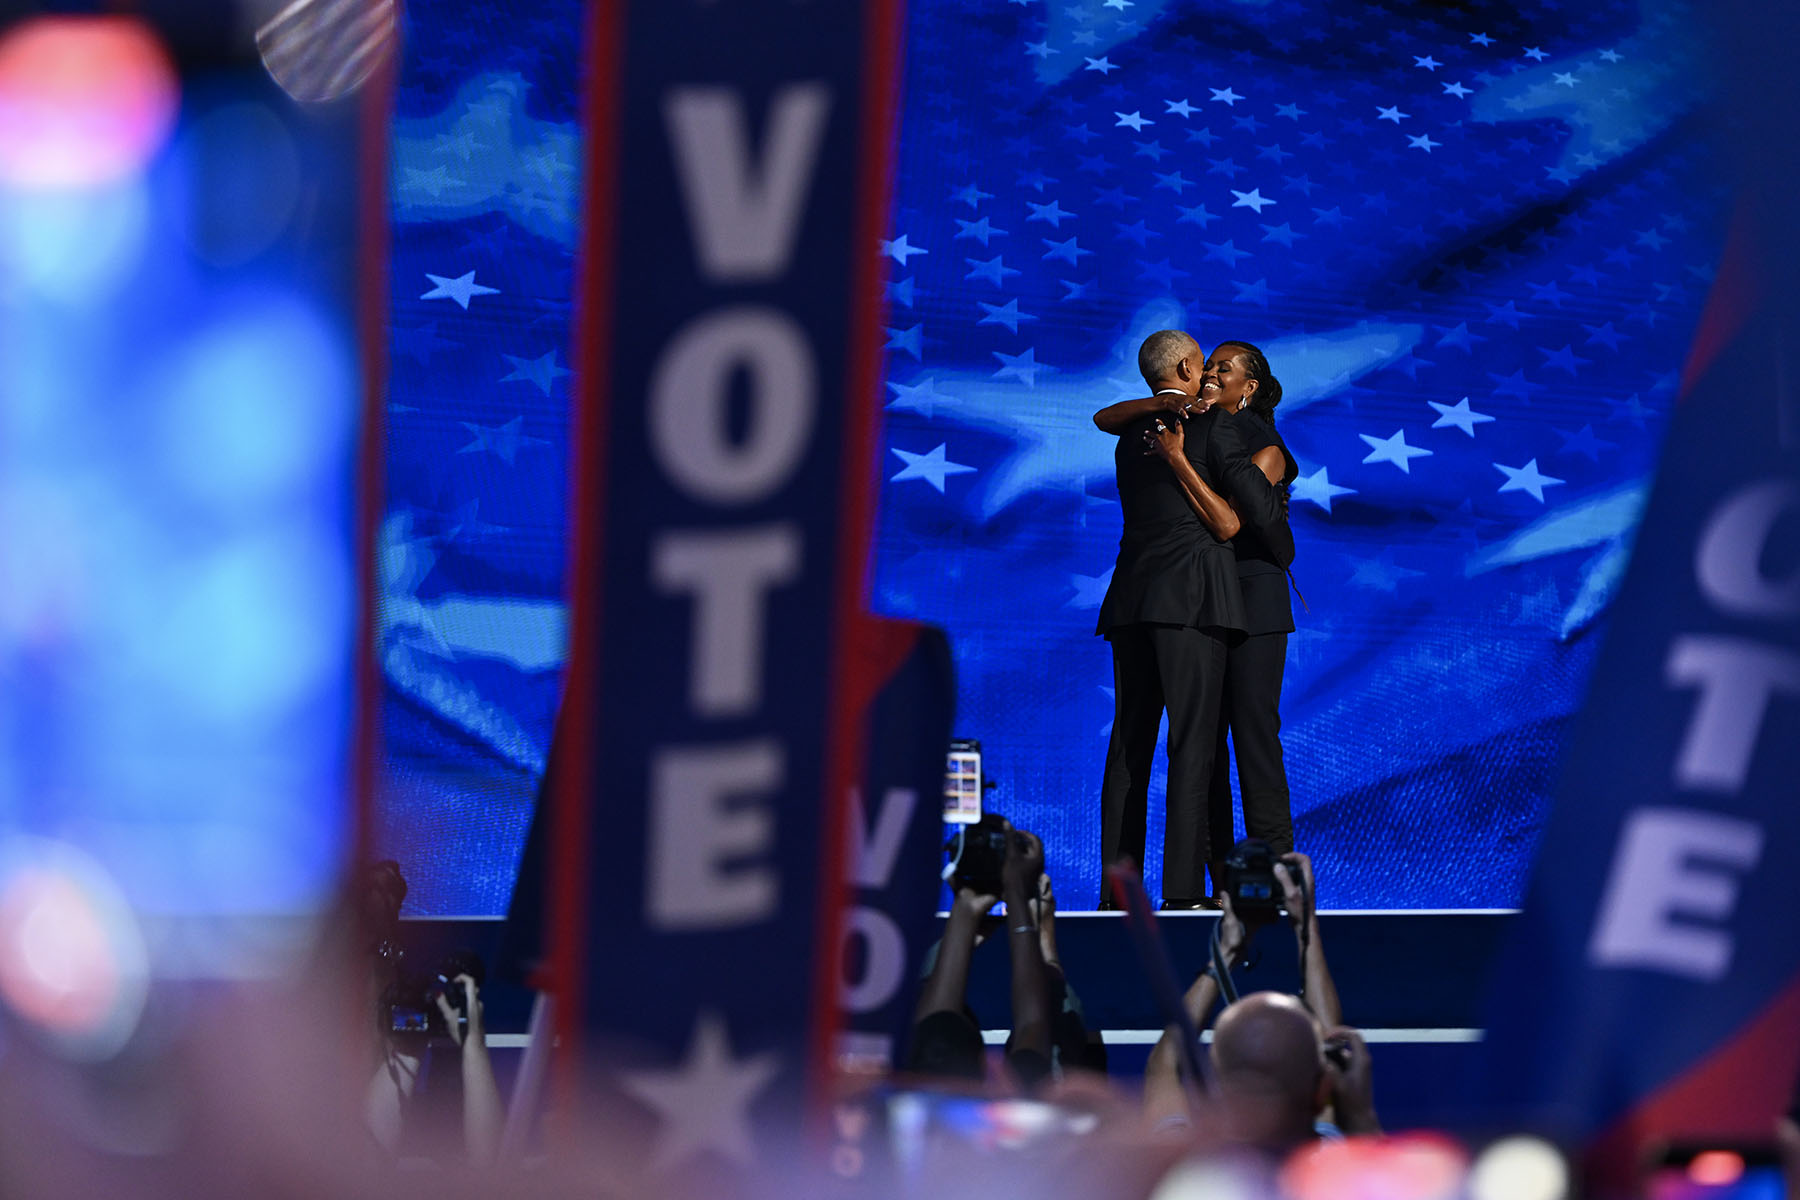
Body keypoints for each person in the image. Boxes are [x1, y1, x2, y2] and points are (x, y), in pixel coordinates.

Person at [1091, 330, 1287, 908]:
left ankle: (1116, 897)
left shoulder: (1129, 433)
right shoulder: (1214, 426)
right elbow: (1234, 522)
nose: (1208, 374)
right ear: (1183, 364)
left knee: (1129, 749)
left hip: (1131, 598)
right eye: (1203, 364)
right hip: (1194, 601)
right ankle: (1182, 893)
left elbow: (1105, 416)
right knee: (1193, 745)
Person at [1143, 852, 1377, 1153]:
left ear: (1216, 1089)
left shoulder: (1184, 1165)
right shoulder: (1334, 1165)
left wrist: (1226, 952)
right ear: (1322, 1092)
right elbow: (1331, 1044)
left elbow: (1167, 1060)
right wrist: (1305, 924)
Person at [1202, 342, 1301, 895]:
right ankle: (1218, 874)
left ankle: (1276, 866)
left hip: (1256, 601)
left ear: (1251, 387)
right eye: (1210, 366)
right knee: (1205, 741)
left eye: (1225, 369)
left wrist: (1218, 421)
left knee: (1254, 734)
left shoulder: (1267, 446)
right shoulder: (1201, 433)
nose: (1213, 373)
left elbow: (1247, 517)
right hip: (1207, 597)